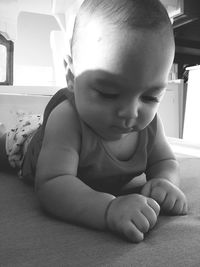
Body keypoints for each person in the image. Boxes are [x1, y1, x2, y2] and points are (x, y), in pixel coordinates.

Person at [0, 0, 188, 243]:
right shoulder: (67, 119)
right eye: (108, 93)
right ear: (71, 77)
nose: (130, 112)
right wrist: (108, 209)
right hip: (28, 139)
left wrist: (165, 181)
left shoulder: (150, 126)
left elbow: (166, 160)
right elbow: (52, 184)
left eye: (150, 97)